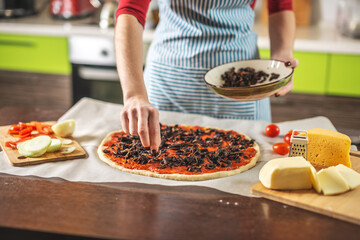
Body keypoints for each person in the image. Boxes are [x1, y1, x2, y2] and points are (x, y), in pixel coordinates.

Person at [114, 0, 298, 153]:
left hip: (243, 89)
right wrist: (135, 94)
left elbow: (280, 6)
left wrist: (282, 55)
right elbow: (130, 11)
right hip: (170, 84)